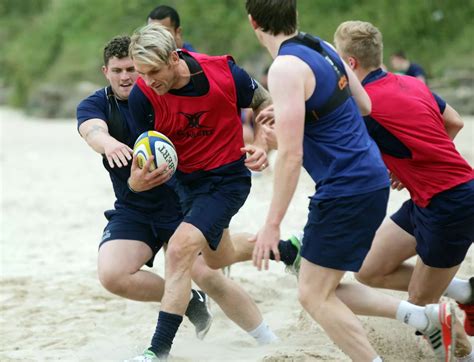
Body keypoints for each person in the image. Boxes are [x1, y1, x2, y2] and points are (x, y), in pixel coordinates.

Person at [245, 1, 458, 361]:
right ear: (294, 16)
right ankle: (424, 316)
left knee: (313, 295)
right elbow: (363, 105)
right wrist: (297, 109)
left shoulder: (283, 67)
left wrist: (272, 224)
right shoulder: (321, 46)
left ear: (253, 22)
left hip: (345, 187)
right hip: (369, 178)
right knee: (321, 288)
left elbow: (292, 157)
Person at [76, 35, 278, 362]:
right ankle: (282, 254)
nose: (140, 79)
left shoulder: (223, 73)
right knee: (218, 257)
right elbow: (95, 131)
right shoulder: (134, 97)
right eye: (125, 71)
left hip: (218, 183)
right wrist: (119, 158)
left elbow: (264, 102)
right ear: (106, 71)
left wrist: (263, 142)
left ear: (174, 58)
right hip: (163, 196)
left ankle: (159, 351)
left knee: (193, 261)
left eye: (144, 70)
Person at [334, 20, 474, 360]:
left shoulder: (366, 108)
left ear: (350, 64)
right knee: (368, 270)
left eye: (338, 59)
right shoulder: (412, 82)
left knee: (421, 308)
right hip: (426, 198)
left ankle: (465, 353)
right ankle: (468, 295)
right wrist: (412, 161)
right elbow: (454, 121)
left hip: (453, 203)